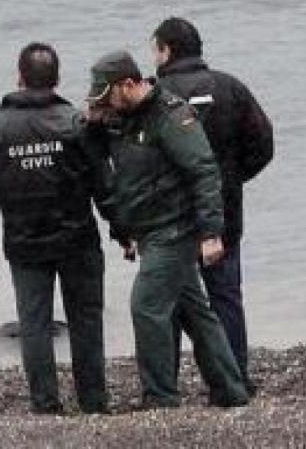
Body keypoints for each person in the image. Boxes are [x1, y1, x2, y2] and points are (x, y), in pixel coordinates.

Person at [85, 50, 248, 408]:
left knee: (146, 306)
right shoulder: (123, 118)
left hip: (174, 230)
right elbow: (103, 150)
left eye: (107, 97)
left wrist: (210, 233)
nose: (105, 106)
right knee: (195, 313)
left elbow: (204, 171)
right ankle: (230, 389)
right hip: (147, 229)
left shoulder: (172, 116)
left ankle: (160, 396)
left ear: (127, 85)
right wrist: (90, 118)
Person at [0, 43, 116, 415]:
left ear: (19, 78)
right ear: (57, 79)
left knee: (34, 324)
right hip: (77, 239)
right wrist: (123, 227)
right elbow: (104, 183)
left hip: (25, 242)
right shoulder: (74, 122)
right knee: (86, 319)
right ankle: (93, 401)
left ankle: (45, 403)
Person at [151, 17, 274, 391]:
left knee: (167, 302)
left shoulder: (157, 96)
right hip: (223, 214)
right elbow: (263, 144)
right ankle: (234, 376)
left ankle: (165, 385)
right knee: (225, 298)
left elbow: (138, 160)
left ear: (166, 50)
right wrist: (232, 179)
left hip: (168, 218)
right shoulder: (229, 88)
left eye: (154, 49)